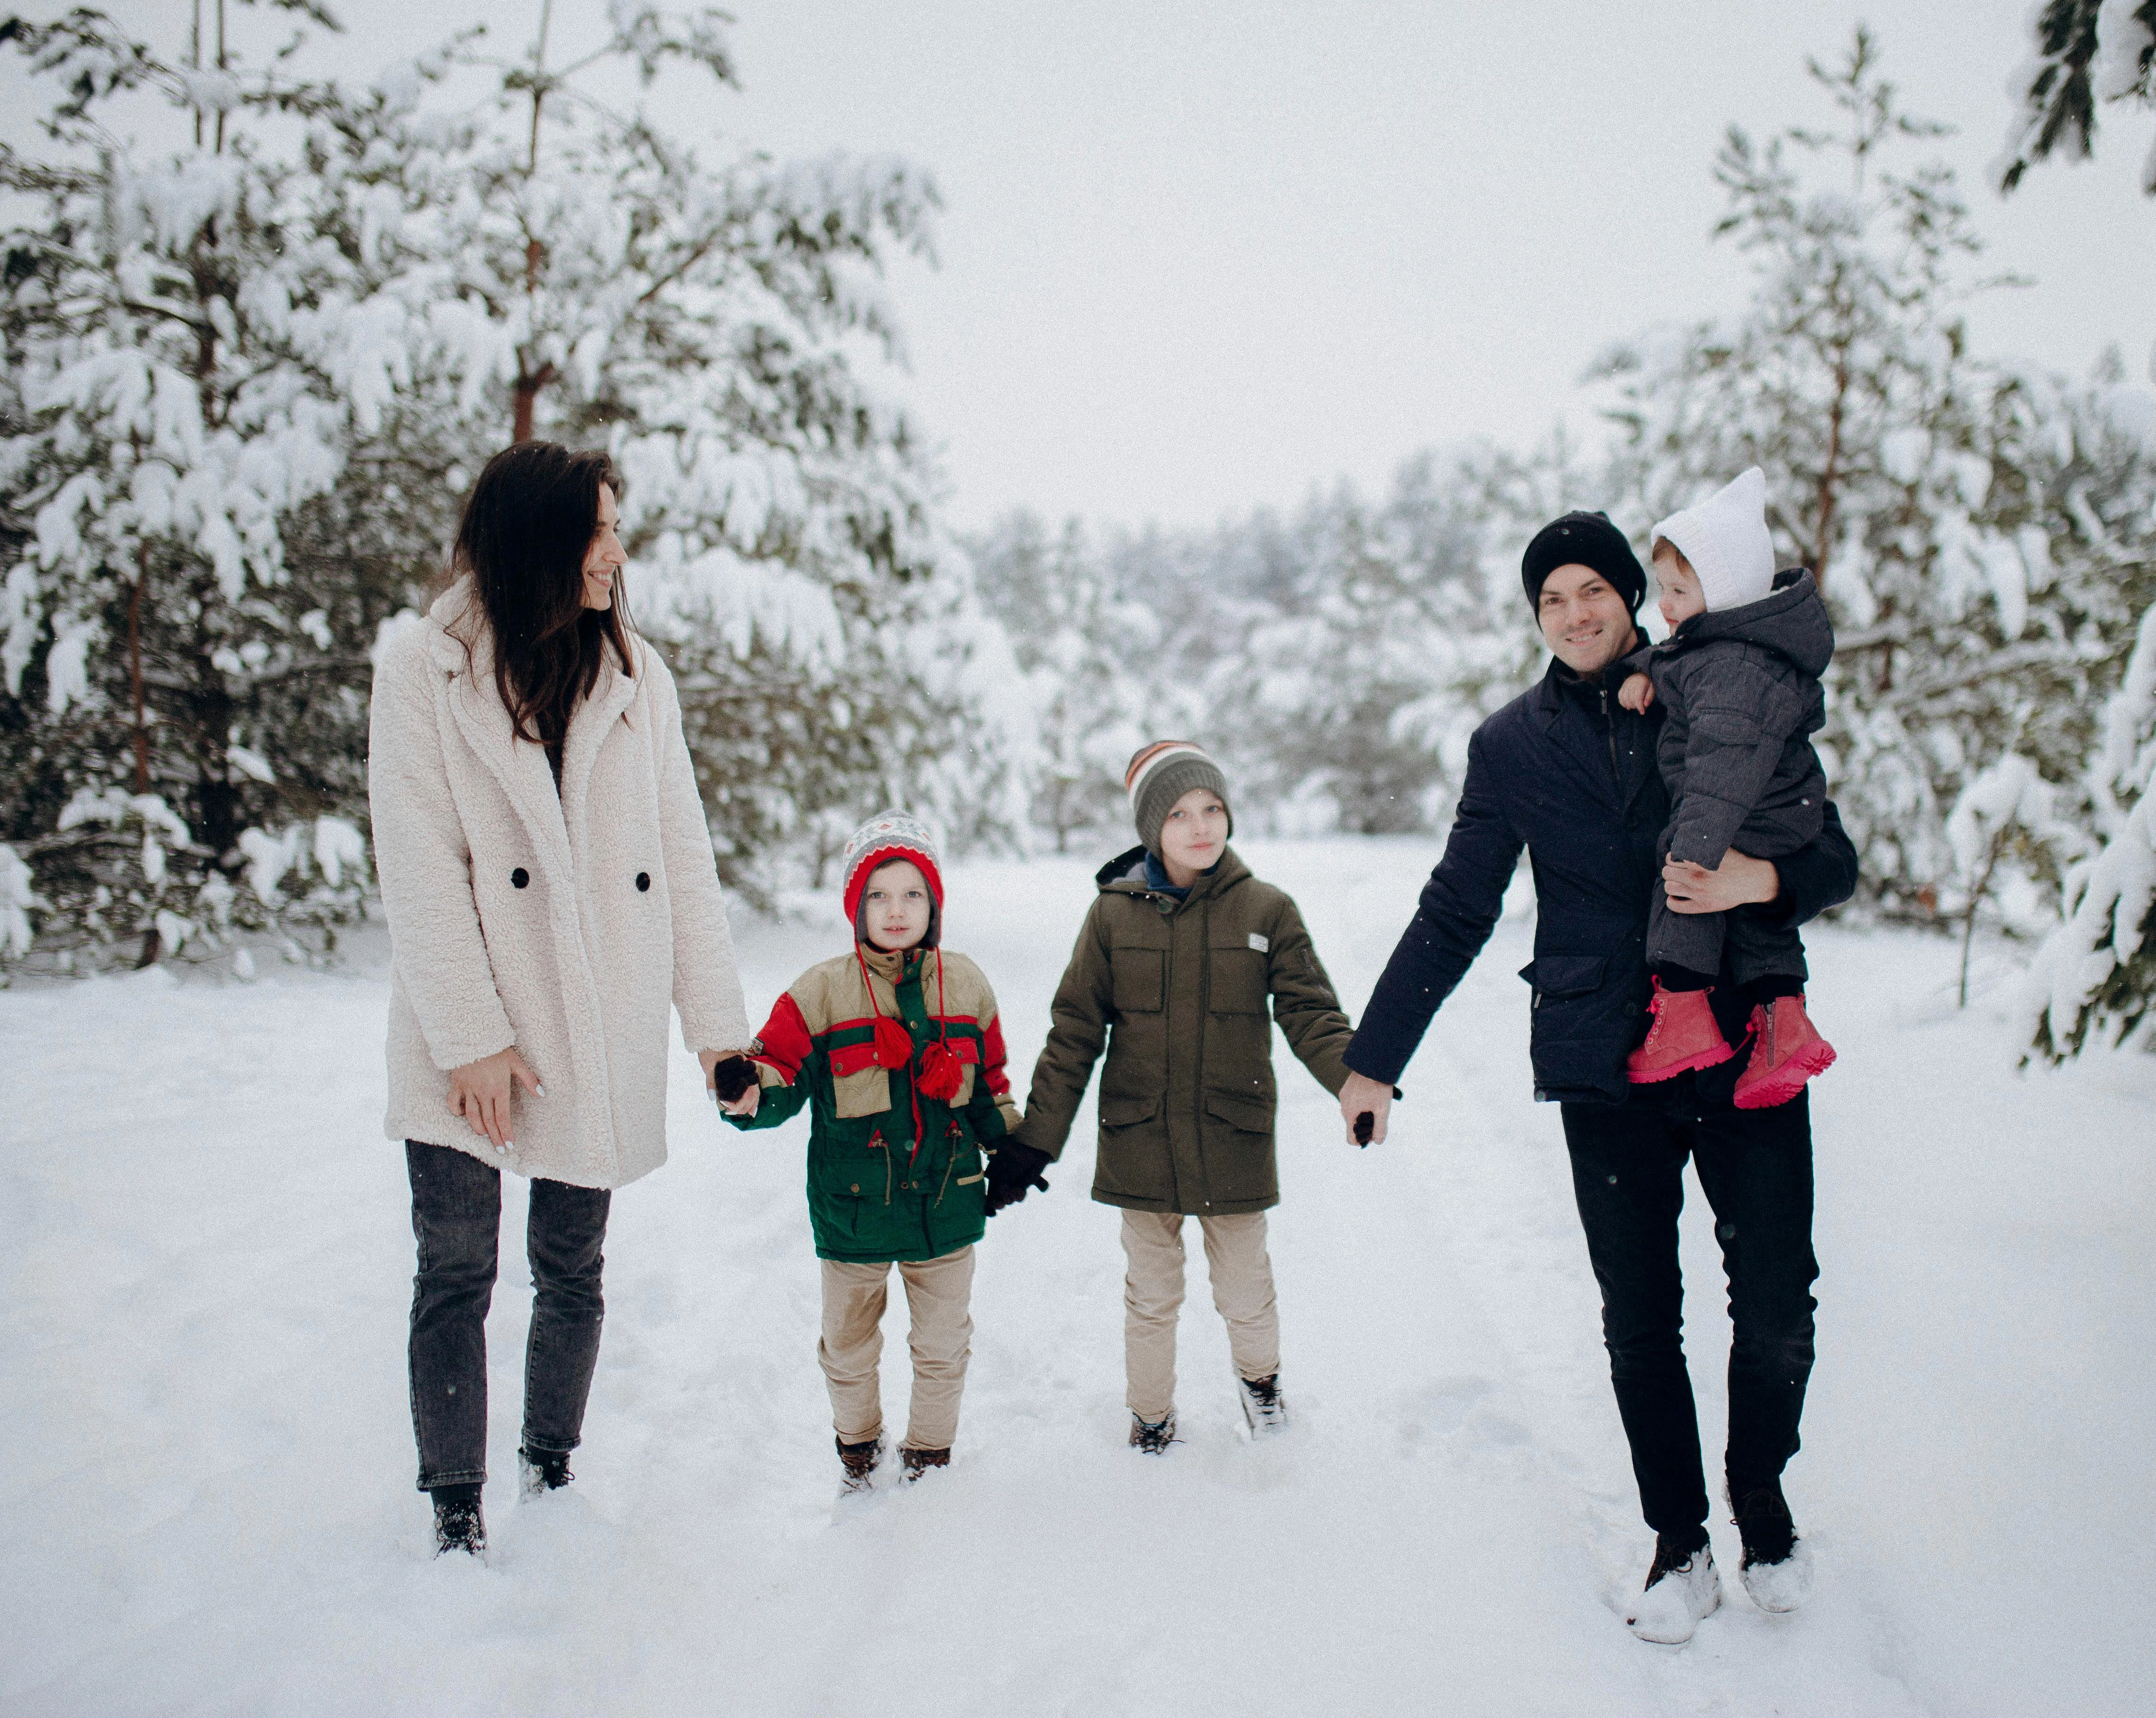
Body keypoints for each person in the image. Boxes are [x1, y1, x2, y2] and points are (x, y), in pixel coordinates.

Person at [1335, 510, 1857, 1644]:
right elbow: (1458, 909)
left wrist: (1757, 885)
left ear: (1632, 595)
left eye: (1594, 590)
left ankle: (1763, 1508)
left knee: (1777, 1307)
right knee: (1641, 1321)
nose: (1575, 614)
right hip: (1603, 1060)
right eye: (1550, 599)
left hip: (1743, 1039)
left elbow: (1833, 856)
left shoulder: (1717, 688)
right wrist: (1373, 1061)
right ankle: (1680, 1544)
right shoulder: (1511, 746)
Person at [368, 441, 748, 1558]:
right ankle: (454, 1507)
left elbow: (683, 858)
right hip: (469, 1026)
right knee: (456, 1269)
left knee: (572, 1267)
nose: (616, 552)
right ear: (538, 541)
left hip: (598, 1009)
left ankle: (550, 1468)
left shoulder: (634, 672)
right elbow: (422, 866)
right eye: (599, 530)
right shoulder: (424, 669)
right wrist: (473, 1042)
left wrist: (720, 1037)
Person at [992, 741, 1355, 1451]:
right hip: (1142, 1137)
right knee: (1151, 1297)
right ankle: (1150, 1416)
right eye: (1182, 813)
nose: (1201, 826)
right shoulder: (1111, 918)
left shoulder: (1268, 910)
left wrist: (1354, 1078)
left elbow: (1310, 1012)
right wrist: (1036, 1139)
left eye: (1213, 809)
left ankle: (1262, 1387)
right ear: (1151, 827)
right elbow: (1073, 1035)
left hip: (1233, 1131)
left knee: (1246, 1289)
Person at [715, 811, 1019, 1491]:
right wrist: (745, 1091)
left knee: (943, 1346)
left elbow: (991, 1085)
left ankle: (929, 1459)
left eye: (912, 893)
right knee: (848, 1349)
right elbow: (778, 1074)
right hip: (853, 1212)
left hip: (946, 1205)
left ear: (934, 904)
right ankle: (858, 1449)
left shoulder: (964, 985)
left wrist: (1015, 1147)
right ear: (856, 905)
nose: (896, 909)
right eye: (879, 895)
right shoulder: (821, 992)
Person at [1612, 467, 1839, 1105]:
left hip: (1748, 807)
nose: (1665, 606)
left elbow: (1720, 768)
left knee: (1686, 881)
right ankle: (1783, 1022)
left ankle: (1683, 1009)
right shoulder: (1723, 649)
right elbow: (1678, 657)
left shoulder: (1736, 672)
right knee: (1748, 917)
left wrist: (1695, 853)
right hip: (1780, 808)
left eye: (1679, 590)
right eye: (1664, 588)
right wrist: (1642, 668)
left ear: (1727, 591)